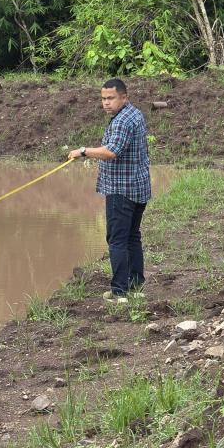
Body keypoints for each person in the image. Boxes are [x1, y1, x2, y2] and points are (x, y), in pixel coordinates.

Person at [67, 78, 151, 302]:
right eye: (103, 98)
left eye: (111, 98)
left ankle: (119, 292)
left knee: (117, 239)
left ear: (124, 97)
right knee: (132, 236)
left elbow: (111, 151)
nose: (106, 103)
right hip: (139, 187)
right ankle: (135, 284)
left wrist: (83, 151)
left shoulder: (123, 120)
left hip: (121, 190)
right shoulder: (134, 114)